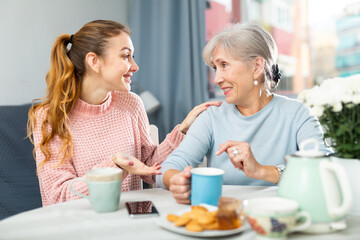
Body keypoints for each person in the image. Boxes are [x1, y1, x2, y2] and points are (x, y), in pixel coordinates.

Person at [27, 20, 221, 206]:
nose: (135, 67)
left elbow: (149, 168)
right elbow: (58, 197)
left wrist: (183, 129)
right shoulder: (49, 117)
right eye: (125, 56)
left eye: (132, 57)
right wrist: (114, 166)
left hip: (129, 219)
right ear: (94, 61)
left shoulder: (131, 103)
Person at [156, 23, 331, 204]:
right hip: (228, 218)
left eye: (224, 65)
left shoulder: (298, 114)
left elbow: (325, 168)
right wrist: (177, 181)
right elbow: (168, 168)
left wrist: (261, 171)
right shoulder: (211, 117)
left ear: (256, 67)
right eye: (216, 68)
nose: (217, 79)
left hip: (280, 217)